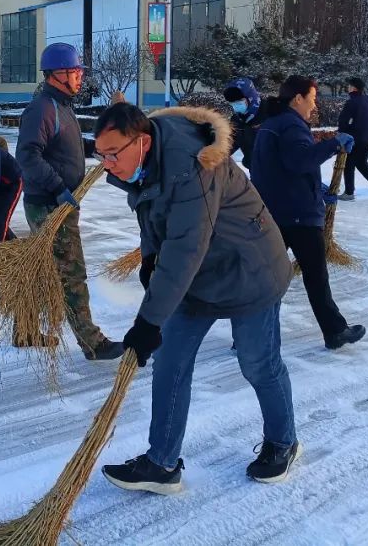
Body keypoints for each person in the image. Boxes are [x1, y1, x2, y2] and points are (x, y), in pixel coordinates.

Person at [93, 102, 299, 490]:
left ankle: (283, 441)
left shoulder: (193, 166)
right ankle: (162, 463)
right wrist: (151, 256)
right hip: (200, 274)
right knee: (170, 360)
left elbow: (186, 247)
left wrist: (148, 321)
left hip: (248, 266)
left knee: (258, 363)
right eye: (100, 154)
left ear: (142, 141)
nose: (106, 164)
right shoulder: (143, 161)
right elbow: (154, 217)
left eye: (112, 154)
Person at [16, 42, 123, 361]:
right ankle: (92, 343)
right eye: (75, 71)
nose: (80, 77)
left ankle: (24, 328)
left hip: (58, 202)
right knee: (70, 272)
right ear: (58, 74)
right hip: (51, 205)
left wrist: (98, 150)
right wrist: (59, 188)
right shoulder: (43, 108)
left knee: (42, 269)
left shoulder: (62, 106)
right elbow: (27, 155)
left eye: (79, 72)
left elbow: (68, 146)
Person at [250, 75, 366, 351]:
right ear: (298, 98)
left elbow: (279, 167)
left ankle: (250, 334)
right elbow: (300, 160)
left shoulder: (271, 124)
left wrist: (318, 187)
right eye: (312, 99)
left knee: (268, 277)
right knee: (315, 277)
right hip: (298, 216)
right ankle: (335, 331)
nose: (314, 106)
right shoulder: (291, 125)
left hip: (276, 212)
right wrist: (333, 144)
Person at [338, 77, 368, 201]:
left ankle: (349, 193)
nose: (347, 88)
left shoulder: (351, 102)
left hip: (355, 139)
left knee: (349, 165)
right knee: (361, 163)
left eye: (349, 86)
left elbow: (343, 121)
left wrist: (342, 133)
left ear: (353, 88)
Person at [222, 76, 267, 170]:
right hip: (254, 169)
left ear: (251, 97)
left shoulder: (269, 113)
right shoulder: (237, 119)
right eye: (232, 103)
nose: (235, 105)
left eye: (239, 101)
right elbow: (231, 142)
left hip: (276, 172)